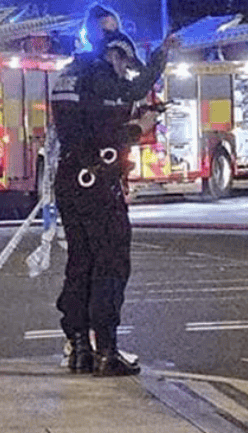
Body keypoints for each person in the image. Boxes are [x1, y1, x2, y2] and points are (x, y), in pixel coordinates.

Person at [50, 30, 176, 376]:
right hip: (97, 182)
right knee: (110, 264)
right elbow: (114, 122)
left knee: (80, 263)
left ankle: (80, 349)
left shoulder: (68, 75)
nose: (124, 73)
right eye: (124, 65)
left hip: (70, 179)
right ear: (115, 55)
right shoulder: (99, 76)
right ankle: (106, 350)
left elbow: (86, 124)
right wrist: (141, 125)